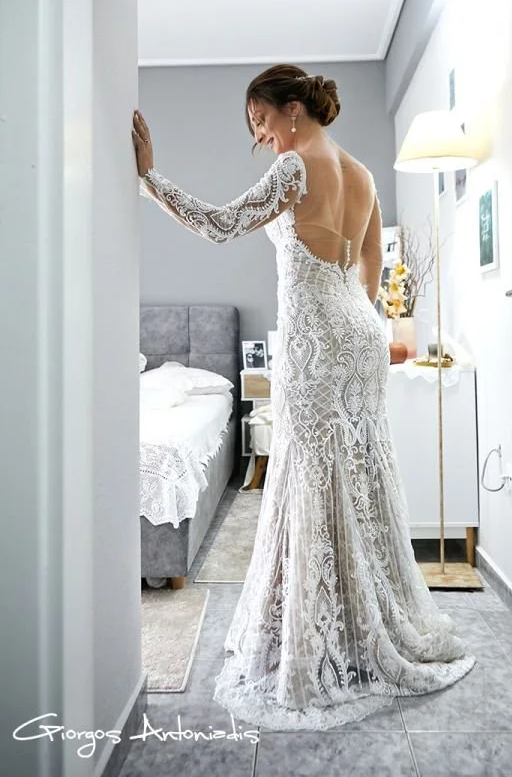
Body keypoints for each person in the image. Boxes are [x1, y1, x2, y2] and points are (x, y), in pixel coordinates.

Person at [132, 64, 475, 731]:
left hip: (316, 342)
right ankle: (365, 621)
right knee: (360, 475)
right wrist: (356, 322)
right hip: (359, 334)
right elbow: (371, 267)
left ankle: (326, 636)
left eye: (262, 122)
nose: (263, 139)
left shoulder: (295, 170)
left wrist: (149, 178)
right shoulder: (364, 172)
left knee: (313, 479)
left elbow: (220, 223)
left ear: (292, 110)